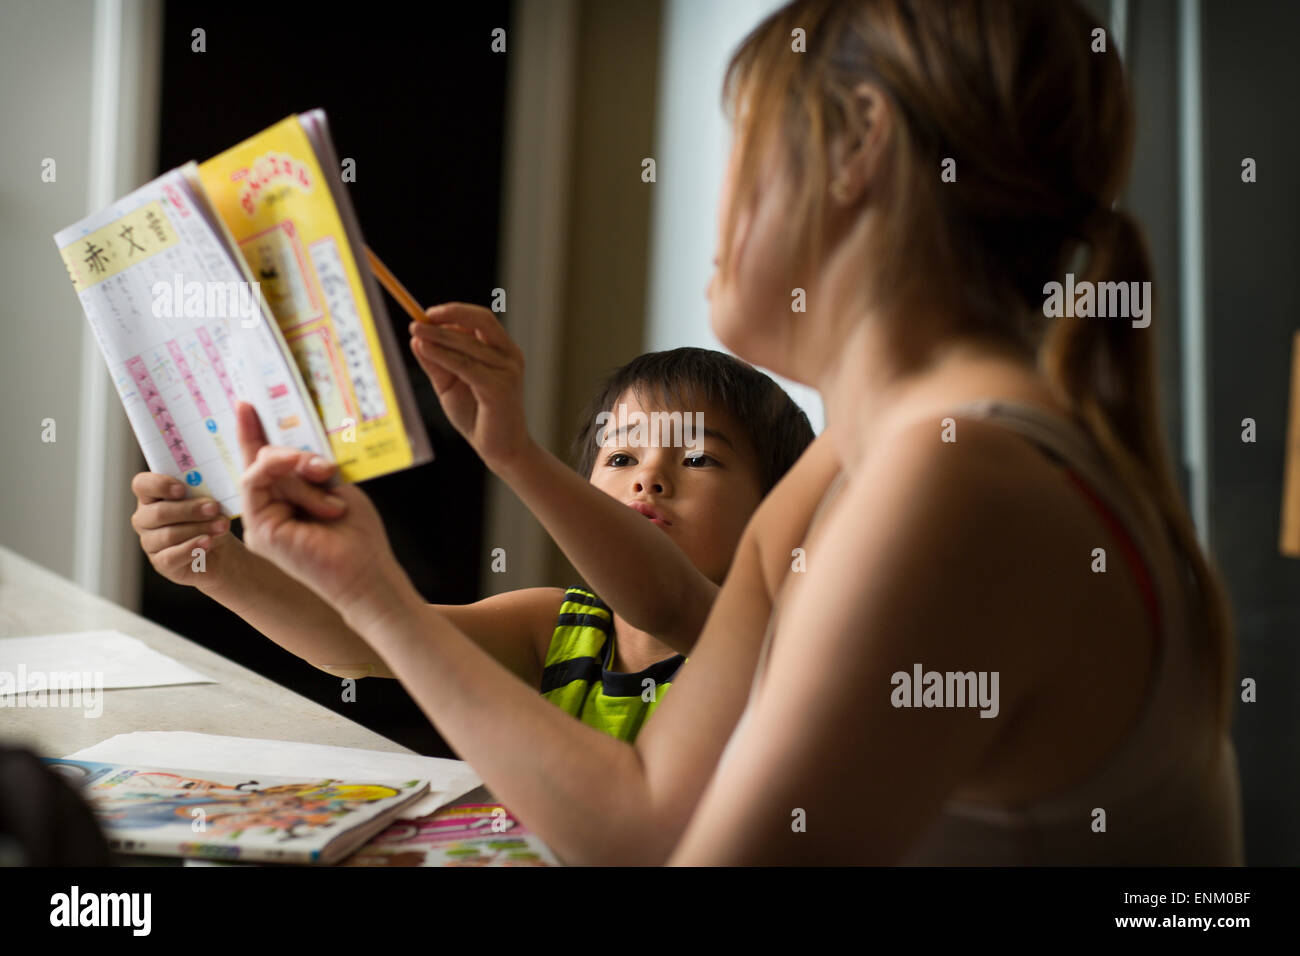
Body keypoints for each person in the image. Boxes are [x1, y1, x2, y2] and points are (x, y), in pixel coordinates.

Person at [234, 0, 1243, 864]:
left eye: (739, 149)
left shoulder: (956, 476)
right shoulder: (865, 458)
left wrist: (383, 599)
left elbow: (662, 846)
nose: (715, 210)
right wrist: (370, 587)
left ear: (858, 144)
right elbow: (651, 815)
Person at [130, 338, 813, 742]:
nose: (649, 482)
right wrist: (217, 564)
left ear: (777, 508)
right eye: (621, 458)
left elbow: (668, 601)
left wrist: (514, 453)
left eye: (697, 460)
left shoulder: (771, 644)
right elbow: (364, 644)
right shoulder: (556, 629)